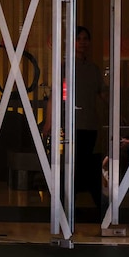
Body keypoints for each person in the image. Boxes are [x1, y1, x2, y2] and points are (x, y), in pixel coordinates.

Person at [43, 26, 106, 209]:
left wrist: (118, 112)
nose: (82, 42)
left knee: (84, 163)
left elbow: (102, 93)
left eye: (85, 38)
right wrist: (49, 122)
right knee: (78, 164)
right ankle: (66, 202)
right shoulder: (65, 67)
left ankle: (67, 202)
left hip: (90, 124)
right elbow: (55, 96)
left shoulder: (93, 69)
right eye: (78, 39)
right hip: (72, 124)